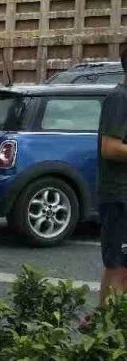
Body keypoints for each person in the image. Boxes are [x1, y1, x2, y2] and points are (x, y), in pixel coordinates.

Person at [96, 49, 127, 308]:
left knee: (121, 268)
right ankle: (106, 336)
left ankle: (101, 323)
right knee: (119, 268)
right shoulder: (119, 99)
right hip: (119, 197)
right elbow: (110, 147)